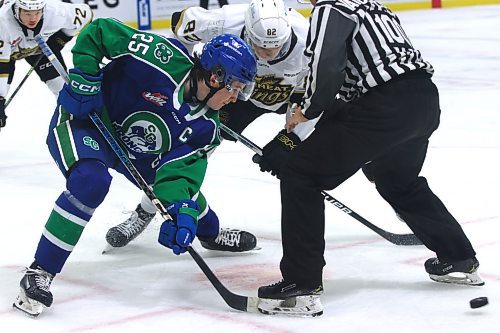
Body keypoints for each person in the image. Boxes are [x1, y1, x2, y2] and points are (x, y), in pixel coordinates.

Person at [13, 18, 258, 317]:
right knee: (91, 182)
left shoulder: (207, 129)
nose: (235, 97)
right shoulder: (161, 55)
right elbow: (99, 32)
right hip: (88, 121)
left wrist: (181, 211)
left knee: (187, 202)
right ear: (215, 77)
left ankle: (210, 233)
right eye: (235, 87)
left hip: (137, 153)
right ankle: (40, 272)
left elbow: (178, 177)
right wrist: (86, 77)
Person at [254, 0, 484, 317]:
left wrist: (303, 117)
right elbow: (347, 92)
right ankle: (458, 258)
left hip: (386, 106)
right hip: (423, 101)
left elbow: (327, 70)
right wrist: (296, 138)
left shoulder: (330, 9)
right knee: (398, 181)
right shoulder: (375, 7)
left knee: (300, 176)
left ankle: (301, 285)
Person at [105, 0, 318, 249]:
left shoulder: (309, 41)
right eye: (259, 46)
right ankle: (148, 210)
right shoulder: (225, 21)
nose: (266, 55)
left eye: (275, 48)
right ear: (247, 30)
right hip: (231, 93)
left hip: (287, 98)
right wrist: (183, 81)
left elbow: (317, 94)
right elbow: (181, 24)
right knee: (185, 156)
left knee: (299, 156)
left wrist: (289, 139)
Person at [0, 0, 92, 128]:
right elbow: (2, 67)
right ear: (16, 10)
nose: (33, 18)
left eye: (37, 12)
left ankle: (74, 128)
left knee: (62, 90)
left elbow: (86, 14)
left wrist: (60, 40)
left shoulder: (56, 12)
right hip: (5, 55)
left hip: (40, 49)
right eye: (27, 13)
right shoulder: (3, 21)